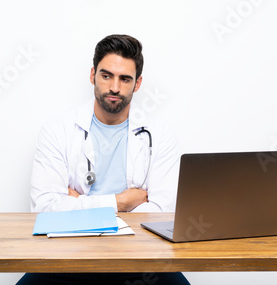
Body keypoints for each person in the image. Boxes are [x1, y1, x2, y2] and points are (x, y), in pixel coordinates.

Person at [17, 34, 190, 285]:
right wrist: (121, 202)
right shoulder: (58, 130)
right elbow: (45, 209)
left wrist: (79, 203)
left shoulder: (159, 134)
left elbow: (164, 214)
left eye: (125, 79)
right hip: (67, 257)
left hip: (139, 258)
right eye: (106, 75)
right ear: (92, 75)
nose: (115, 87)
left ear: (138, 83)